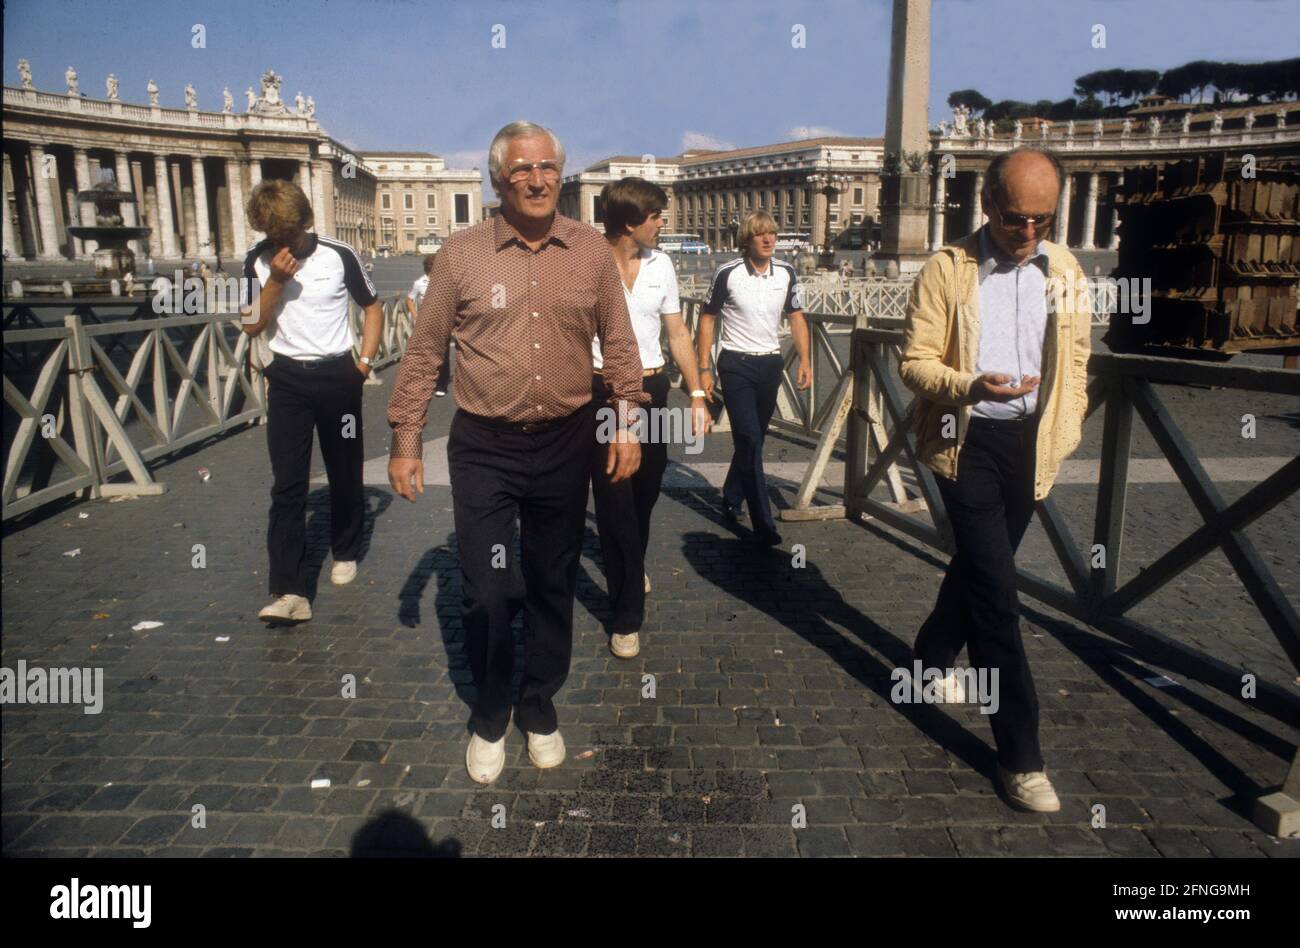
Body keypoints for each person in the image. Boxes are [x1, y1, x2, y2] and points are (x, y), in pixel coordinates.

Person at [387, 121, 647, 784]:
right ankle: (491, 706)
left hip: (566, 439)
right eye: (522, 170)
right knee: (485, 591)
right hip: (485, 445)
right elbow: (423, 352)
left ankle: (538, 702)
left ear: (559, 176)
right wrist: (406, 438)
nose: (537, 180)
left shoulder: (590, 252)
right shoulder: (461, 255)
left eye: (548, 169)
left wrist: (626, 424)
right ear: (497, 181)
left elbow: (619, 347)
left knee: (552, 581)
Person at [899, 147, 1091, 812]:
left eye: (1043, 219)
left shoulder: (1064, 268)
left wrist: (1068, 420)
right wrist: (968, 386)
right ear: (986, 206)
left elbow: (1079, 354)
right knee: (999, 599)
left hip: (1031, 443)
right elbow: (914, 363)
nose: (1030, 233)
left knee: (982, 569)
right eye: (1017, 220)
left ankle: (927, 660)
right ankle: (1020, 754)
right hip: (965, 437)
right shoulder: (946, 269)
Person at [239, 179, 383, 623]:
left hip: (339, 376)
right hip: (286, 382)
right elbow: (249, 325)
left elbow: (373, 306)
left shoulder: (340, 254)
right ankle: (288, 590)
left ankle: (345, 549)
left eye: (291, 235)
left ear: (306, 222)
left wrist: (363, 363)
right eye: (275, 237)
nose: (284, 244)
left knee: (344, 471)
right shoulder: (255, 261)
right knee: (287, 484)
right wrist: (276, 282)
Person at [592, 177, 711, 659]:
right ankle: (625, 617)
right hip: (602, 391)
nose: (664, 223)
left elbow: (678, 332)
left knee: (645, 491)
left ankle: (630, 557)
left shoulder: (662, 264)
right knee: (614, 495)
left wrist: (698, 392)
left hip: (654, 388)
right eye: (656, 216)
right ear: (628, 222)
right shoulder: (587, 261)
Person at [696, 211, 811, 546]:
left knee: (753, 437)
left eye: (772, 234)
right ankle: (763, 524)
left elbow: (797, 317)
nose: (768, 239)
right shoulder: (727, 273)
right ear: (746, 240)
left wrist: (804, 359)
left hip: (771, 364)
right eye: (761, 234)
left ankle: (731, 496)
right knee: (748, 440)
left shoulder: (787, 273)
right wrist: (704, 368)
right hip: (736, 364)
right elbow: (707, 319)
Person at [406, 254, 450, 396]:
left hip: (442, 322)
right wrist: (415, 316)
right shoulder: (419, 283)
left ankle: (441, 385)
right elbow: (409, 299)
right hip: (425, 323)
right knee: (425, 354)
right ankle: (426, 383)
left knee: (443, 353)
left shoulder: (444, 282)